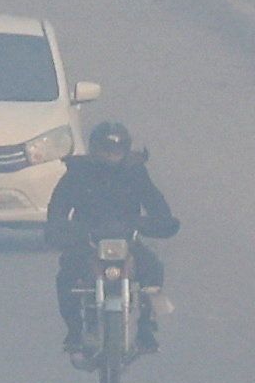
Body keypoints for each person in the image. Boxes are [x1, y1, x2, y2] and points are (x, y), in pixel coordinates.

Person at [46, 119, 180, 351]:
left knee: (154, 270)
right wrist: (59, 229)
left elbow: (157, 205)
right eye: (105, 150)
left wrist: (160, 223)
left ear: (125, 150)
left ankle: (147, 327)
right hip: (87, 241)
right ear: (93, 148)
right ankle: (75, 331)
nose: (110, 156)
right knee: (66, 277)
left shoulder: (136, 172)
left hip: (127, 240)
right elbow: (57, 208)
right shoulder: (77, 173)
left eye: (116, 151)